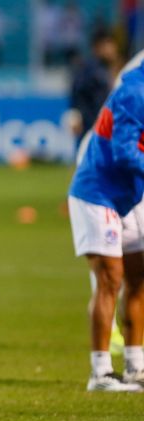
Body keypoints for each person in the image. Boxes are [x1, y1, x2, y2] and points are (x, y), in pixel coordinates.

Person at [68, 55, 144, 392]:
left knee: (139, 279)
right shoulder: (135, 92)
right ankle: (100, 373)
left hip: (128, 196)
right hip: (97, 193)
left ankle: (135, 368)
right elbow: (125, 152)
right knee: (110, 279)